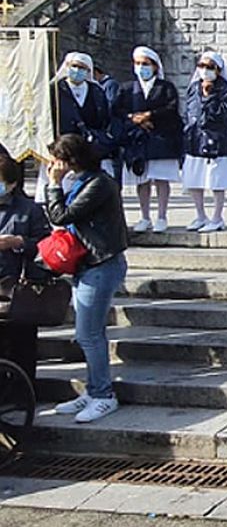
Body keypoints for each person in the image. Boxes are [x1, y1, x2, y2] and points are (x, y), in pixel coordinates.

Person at [46, 134, 129, 424]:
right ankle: (93, 390)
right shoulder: (84, 180)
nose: (56, 165)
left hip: (102, 263)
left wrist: (54, 185)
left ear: (73, 159)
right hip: (86, 263)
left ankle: (104, 394)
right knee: (90, 333)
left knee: (88, 334)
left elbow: (61, 215)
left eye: (60, 159)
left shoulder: (99, 184)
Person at [117, 46, 182, 232]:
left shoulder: (165, 87)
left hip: (161, 138)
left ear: (154, 66)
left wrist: (150, 115)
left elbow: (171, 109)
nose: (141, 67)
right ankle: (144, 216)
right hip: (138, 140)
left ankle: (162, 216)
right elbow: (117, 110)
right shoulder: (128, 88)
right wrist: (134, 118)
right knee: (142, 180)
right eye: (137, 63)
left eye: (145, 64)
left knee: (161, 179)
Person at [182, 51, 227, 232]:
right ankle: (200, 215)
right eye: (202, 66)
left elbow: (222, 114)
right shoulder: (193, 87)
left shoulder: (225, 90)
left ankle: (217, 217)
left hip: (216, 141)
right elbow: (189, 110)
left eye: (210, 67)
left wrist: (208, 96)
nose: (205, 71)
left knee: (216, 181)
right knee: (194, 180)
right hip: (195, 140)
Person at [53, 52, 118, 182]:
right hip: (63, 145)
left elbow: (104, 117)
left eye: (82, 68)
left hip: (88, 146)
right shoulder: (55, 89)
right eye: (74, 66)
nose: (77, 70)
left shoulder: (96, 91)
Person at [0, 156, 48, 283]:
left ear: (12, 184)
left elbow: (45, 246)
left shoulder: (29, 209)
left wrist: (19, 242)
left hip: (10, 284)